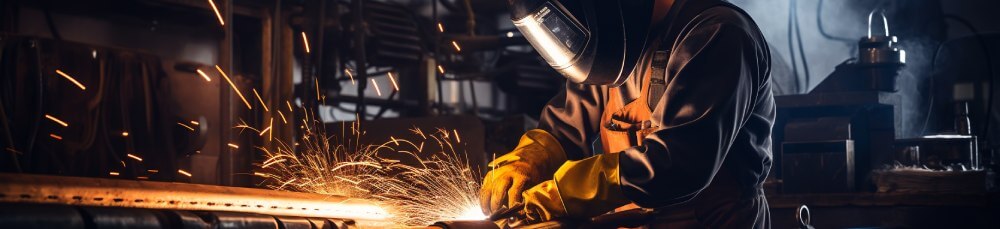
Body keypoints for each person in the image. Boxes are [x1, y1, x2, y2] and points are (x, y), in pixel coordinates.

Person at [480, 0, 774, 227]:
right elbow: (567, 125)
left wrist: (566, 192)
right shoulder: (614, 48)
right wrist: (531, 156)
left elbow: (681, 163)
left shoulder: (718, 34)